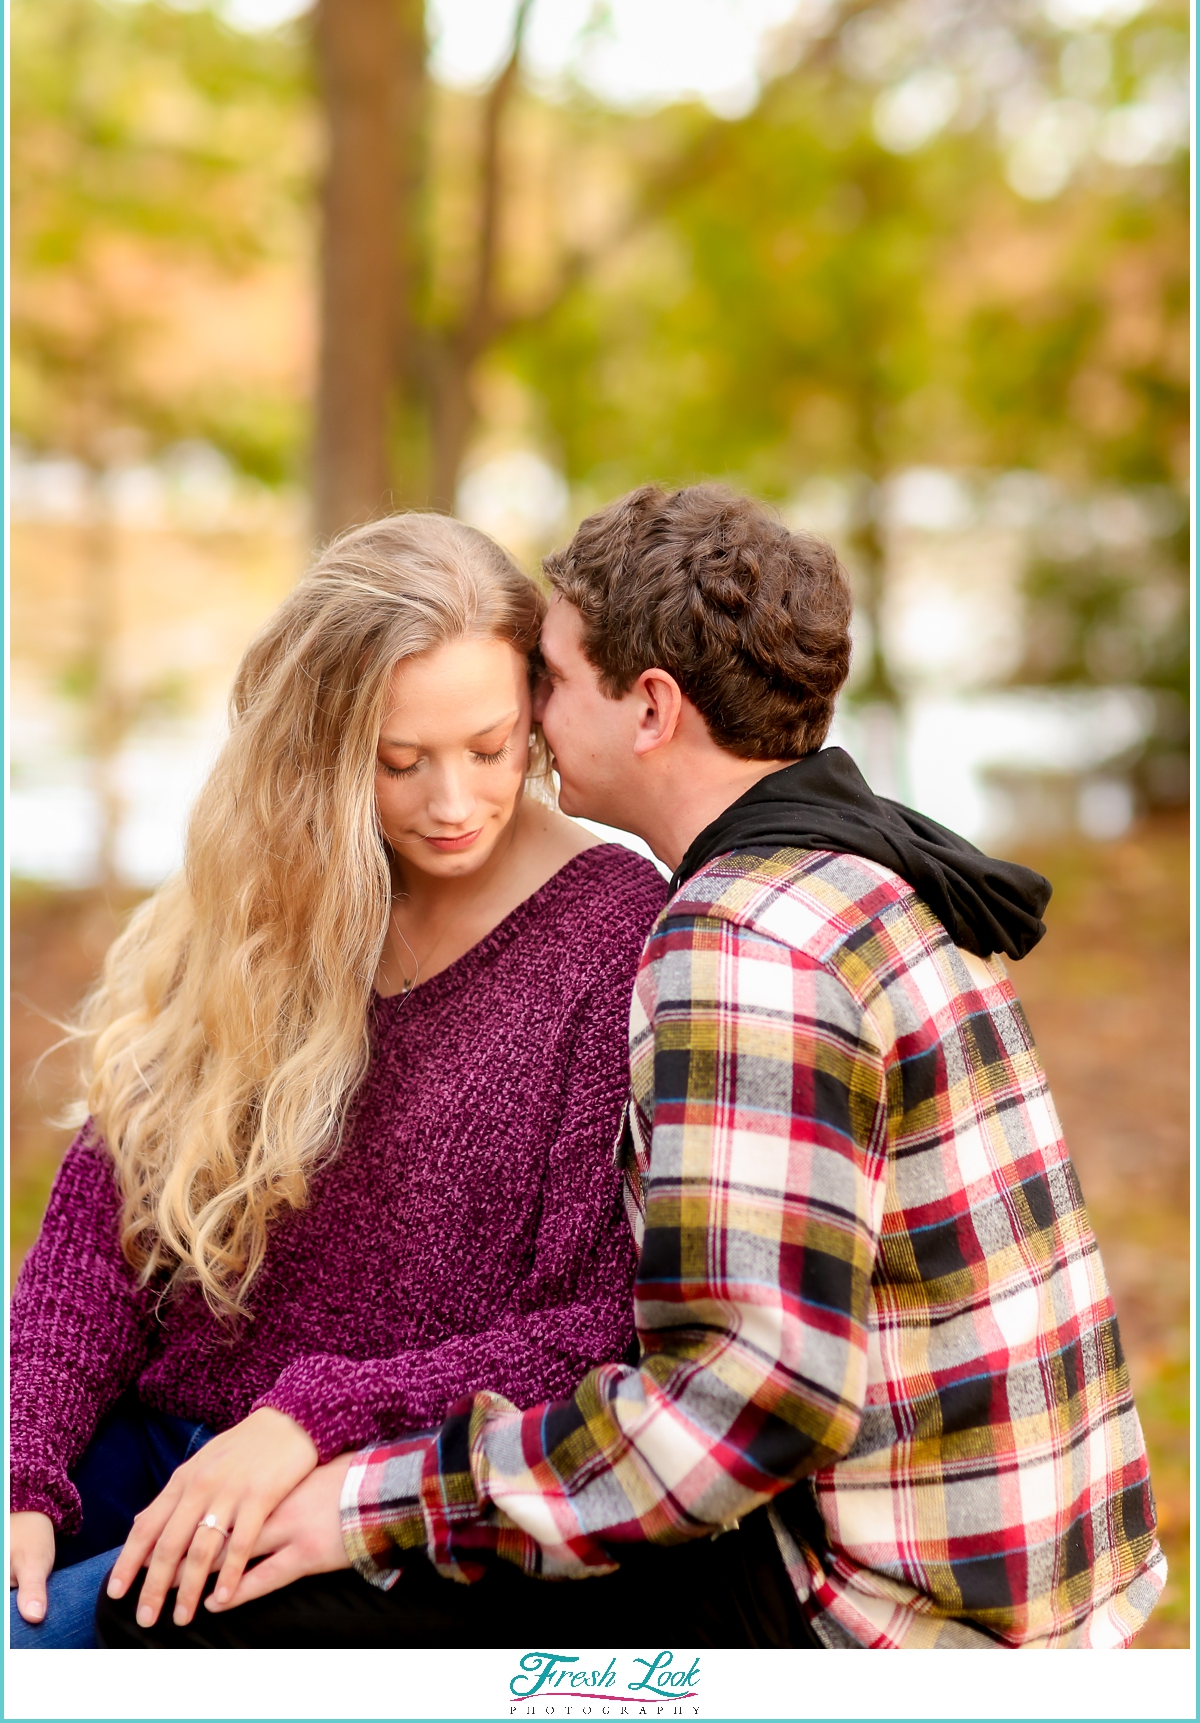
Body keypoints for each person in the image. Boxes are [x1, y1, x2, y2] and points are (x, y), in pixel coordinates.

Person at [97, 484, 1166, 1651]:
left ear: (649, 708)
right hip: (1040, 1574)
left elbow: (753, 1402)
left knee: (204, 1624)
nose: (535, 712)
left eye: (548, 679)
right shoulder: (852, 878)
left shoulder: (742, 940)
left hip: (889, 1622)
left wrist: (366, 1505)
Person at [9, 512, 668, 1648]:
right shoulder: (292, 883)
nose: (451, 803)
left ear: (538, 717)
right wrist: (25, 1461)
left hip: (345, 1497)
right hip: (148, 1429)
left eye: (491, 747)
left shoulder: (617, 937)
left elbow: (599, 1332)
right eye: (397, 761)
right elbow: (110, 1215)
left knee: (40, 1654)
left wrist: (316, 1415)